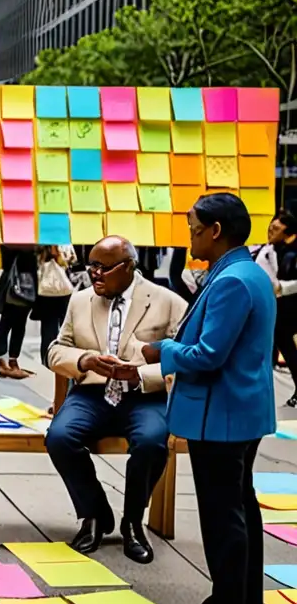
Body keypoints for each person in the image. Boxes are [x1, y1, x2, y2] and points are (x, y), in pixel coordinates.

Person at [142, 193, 276, 604]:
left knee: (223, 513)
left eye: (194, 228)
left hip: (221, 415)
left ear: (216, 231)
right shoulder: (248, 272)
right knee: (240, 505)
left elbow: (208, 354)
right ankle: (242, 602)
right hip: (241, 409)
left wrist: (163, 349)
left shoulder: (232, 281)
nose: (190, 237)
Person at [46, 236, 188, 563]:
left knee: (153, 442)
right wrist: (85, 361)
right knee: (59, 438)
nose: (94, 273)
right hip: (92, 392)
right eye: (91, 265)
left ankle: (133, 521)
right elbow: (56, 349)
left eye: (103, 268)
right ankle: (95, 513)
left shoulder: (167, 301)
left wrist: (141, 374)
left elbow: (185, 359)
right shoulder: (79, 301)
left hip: (143, 395)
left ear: (128, 267)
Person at [254, 211, 297, 406]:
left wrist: (282, 287)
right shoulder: (272, 249)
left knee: (284, 347)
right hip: (279, 308)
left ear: (289, 233)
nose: (271, 230)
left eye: (277, 228)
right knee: (275, 345)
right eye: (271, 225)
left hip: (290, 309)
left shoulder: (292, 252)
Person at [0, 245, 37, 379]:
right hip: (16, 285)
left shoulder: (9, 240)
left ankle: (11, 361)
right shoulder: (23, 243)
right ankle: (4, 361)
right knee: (9, 324)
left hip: (24, 286)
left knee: (17, 325)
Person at [33, 245, 77, 368]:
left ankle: (57, 359)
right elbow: (65, 260)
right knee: (49, 331)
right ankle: (48, 360)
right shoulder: (47, 245)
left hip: (57, 294)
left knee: (61, 330)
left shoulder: (58, 243)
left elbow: (72, 260)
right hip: (52, 295)